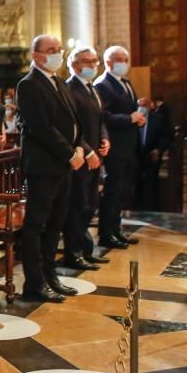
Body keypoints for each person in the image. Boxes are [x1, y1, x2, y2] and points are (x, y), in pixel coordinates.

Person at [15, 35, 83, 303]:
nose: (58, 54)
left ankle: (49, 275)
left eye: (59, 50)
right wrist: (69, 153)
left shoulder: (59, 82)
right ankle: (34, 284)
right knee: (37, 225)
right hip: (44, 166)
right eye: (51, 50)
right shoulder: (29, 85)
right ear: (36, 55)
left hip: (63, 164)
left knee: (56, 223)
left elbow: (72, 121)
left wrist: (79, 148)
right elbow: (40, 127)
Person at [63, 46, 111, 270]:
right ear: (74, 65)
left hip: (95, 155)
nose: (93, 65)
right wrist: (88, 150)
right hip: (81, 156)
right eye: (87, 62)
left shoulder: (93, 89)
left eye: (95, 61)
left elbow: (101, 120)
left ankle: (86, 250)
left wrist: (104, 139)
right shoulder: (69, 89)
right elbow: (70, 126)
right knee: (77, 205)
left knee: (90, 204)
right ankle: (73, 253)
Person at [94, 45, 144, 249]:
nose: (124, 63)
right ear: (108, 62)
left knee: (122, 191)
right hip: (115, 145)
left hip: (129, 145)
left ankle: (116, 229)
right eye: (120, 59)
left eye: (126, 59)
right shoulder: (102, 85)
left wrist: (138, 119)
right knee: (112, 191)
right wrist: (128, 118)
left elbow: (131, 109)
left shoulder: (126, 82)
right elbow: (103, 116)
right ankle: (106, 233)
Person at [138, 96, 173, 209]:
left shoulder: (158, 119)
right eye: (139, 106)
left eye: (144, 106)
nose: (141, 108)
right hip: (135, 157)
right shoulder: (132, 119)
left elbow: (166, 137)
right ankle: (136, 208)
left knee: (151, 185)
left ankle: (150, 207)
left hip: (151, 155)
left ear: (150, 107)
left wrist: (159, 150)